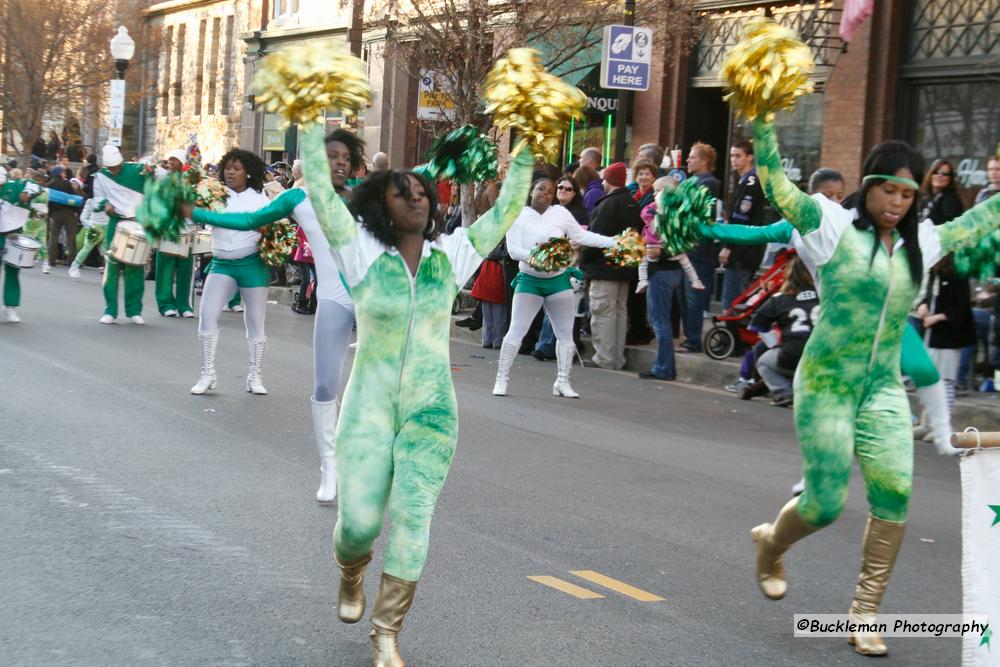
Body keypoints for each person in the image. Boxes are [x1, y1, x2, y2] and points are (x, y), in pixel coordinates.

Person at [748, 114, 1000, 656]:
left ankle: (864, 612)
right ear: (868, 187)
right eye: (889, 189)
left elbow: (982, 220)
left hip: (883, 388)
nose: (899, 202)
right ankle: (771, 543)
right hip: (826, 383)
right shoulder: (830, 225)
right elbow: (776, 184)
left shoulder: (923, 244)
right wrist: (762, 118)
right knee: (823, 505)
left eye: (908, 194)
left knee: (896, 495)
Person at [298, 119, 533, 665]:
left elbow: (506, 211)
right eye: (404, 194)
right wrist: (311, 119)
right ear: (383, 206)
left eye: (423, 193)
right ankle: (351, 570)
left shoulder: (451, 257)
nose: (418, 200)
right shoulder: (358, 253)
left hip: (431, 411)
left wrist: (527, 141)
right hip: (368, 408)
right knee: (357, 526)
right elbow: (318, 189)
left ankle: (387, 632)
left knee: (414, 514)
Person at [188, 129, 365, 504]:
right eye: (333, 155)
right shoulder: (297, 198)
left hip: (376, 301)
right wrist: (194, 212)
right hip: (333, 298)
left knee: (374, 389)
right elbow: (249, 221)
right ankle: (329, 468)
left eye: (347, 157)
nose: (340, 162)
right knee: (324, 388)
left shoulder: (366, 196)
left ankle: (368, 463)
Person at [492, 177, 616, 397]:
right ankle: (501, 378)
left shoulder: (560, 213)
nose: (546, 194)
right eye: (542, 189)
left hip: (558, 281)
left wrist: (613, 242)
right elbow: (513, 251)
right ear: (532, 191)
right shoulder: (517, 215)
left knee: (565, 334)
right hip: (530, 280)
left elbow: (581, 235)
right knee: (516, 331)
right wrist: (539, 258)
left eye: (550, 191)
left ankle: (563, 381)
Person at [187, 148, 272, 394]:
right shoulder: (213, 195)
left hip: (252, 264)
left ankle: (255, 376)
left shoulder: (261, 199)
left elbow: (271, 226)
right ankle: (207, 374)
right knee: (206, 313)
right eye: (228, 168)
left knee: (256, 321)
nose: (231, 172)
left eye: (237, 168)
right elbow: (198, 219)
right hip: (222, 263)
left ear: (248, 172)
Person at [638, 178, 705, 381]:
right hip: (671, 271)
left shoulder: (669, 215)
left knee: (660, 321)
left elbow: (677, 245)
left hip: (662, 271)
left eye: (657, 191)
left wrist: (661, 252)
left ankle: (664, 367)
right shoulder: (677, 213)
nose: (653, 194)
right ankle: (665, 366)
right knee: (661, 320)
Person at [579, 162, 642, 370]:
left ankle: (604, 358)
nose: (603, 182)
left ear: (610, 180)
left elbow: (595, 237)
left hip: (604, 269)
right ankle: (616, 358)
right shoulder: (632, 203)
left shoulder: (608, 204)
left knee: (603, 312)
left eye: (605, 178)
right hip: (625, 269)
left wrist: (584, 260)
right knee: (618, 312)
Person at [743, 256, 818, 406]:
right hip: (822, 356)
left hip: (792, 356)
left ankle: (783, 392)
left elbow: (758, 327)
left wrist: (775, 345)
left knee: (763, 362)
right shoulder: (827, 296)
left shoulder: (780, 299)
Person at [94, 145, 152, 325]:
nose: (115, 170)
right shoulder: (100, 177)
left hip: (137, 221)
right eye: (111, 168)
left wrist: (151, 172)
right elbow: (97, 198)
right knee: (111, 268)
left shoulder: (137, 169)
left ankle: (134, 310)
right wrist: (105, 204)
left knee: (135, 267)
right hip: (116, 223)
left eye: (117, 166)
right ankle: (110, 310)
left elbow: (156, 179)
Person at [679, 142, 721, 353]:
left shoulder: (708, 183)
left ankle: (693, 340)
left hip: (698, 251)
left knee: (694, 298)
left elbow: (698, 214)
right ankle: (689, 337)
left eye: (693, 157)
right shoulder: (692, 182)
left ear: (704, 162)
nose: (688, 160)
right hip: (687, 248)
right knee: (686, 298)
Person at [719, 139, 771, 311]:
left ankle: (733, 336)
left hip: (743, 251)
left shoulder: (751, 181)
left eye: (738, 156)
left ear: (750, 157)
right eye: (732, 156)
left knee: (733, 302)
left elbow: (740, 218)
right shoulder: (745, 180)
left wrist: (728, 246)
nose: (734, 160)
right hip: (745, 248)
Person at [153, 149, 195, 317]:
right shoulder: (163, 179)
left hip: (187, 230)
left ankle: (184, 305)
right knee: (165, 268)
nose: (169, 162)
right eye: (169, 159)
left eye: (173, 159)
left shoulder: (191, 181)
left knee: (185, 269)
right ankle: (165, 304)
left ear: (182, 162)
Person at [0, 172, 38, 322]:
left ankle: (10, 307)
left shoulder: (15, 186)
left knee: (12, 271)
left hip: (12, 235)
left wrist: (27, 193)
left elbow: (35, 185)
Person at [46, 165, 80, 268]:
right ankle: (72, 261)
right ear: (60, 173)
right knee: (70, 237)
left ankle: (51, 260)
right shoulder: (67, 183)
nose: (64, 173)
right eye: (63, 172)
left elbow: (47, 201)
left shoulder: (49, 185)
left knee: (53, 237)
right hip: (69, 213)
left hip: (55, 214)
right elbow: (74, 198)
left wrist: (50, 213)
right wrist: (75, 211)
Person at [68, 197, 109, 280]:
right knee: (87, 249)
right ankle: (73, 268)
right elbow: (83, 218)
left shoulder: (112, 199)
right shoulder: (91, 201)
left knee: (108, 252)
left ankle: (109, 272)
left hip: (107, 228)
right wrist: (92, 226)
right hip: (95, 229)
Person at [920, 159, 964, 226]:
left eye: (945, 174)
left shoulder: (951, 199)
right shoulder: (924, 196)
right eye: (936, 172)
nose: (939, 176)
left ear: (950, 178)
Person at [22, 170, 50, 273]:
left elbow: (46, 205)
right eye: (38, 179)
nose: (40, 181)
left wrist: (45, 214)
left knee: (43, 242)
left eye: (42, 179)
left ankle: (45, 263)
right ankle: (24, 259)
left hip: (42, 219)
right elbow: (27, 201)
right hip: (33, 218)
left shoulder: (47, 190)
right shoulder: (31, 188)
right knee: (27, 239)